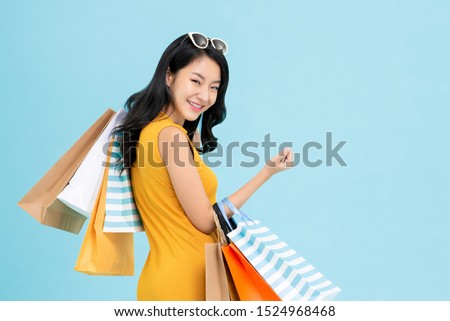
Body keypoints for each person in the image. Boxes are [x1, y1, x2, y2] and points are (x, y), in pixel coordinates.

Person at [114, 32, 293, 301]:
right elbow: (206, 221)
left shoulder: (150, 132)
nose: (205, 96)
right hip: (186, 283)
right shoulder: (170, 136)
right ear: (169, 76)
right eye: (196, 81)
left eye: (214, 87)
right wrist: (266, 173)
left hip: (169, 277)